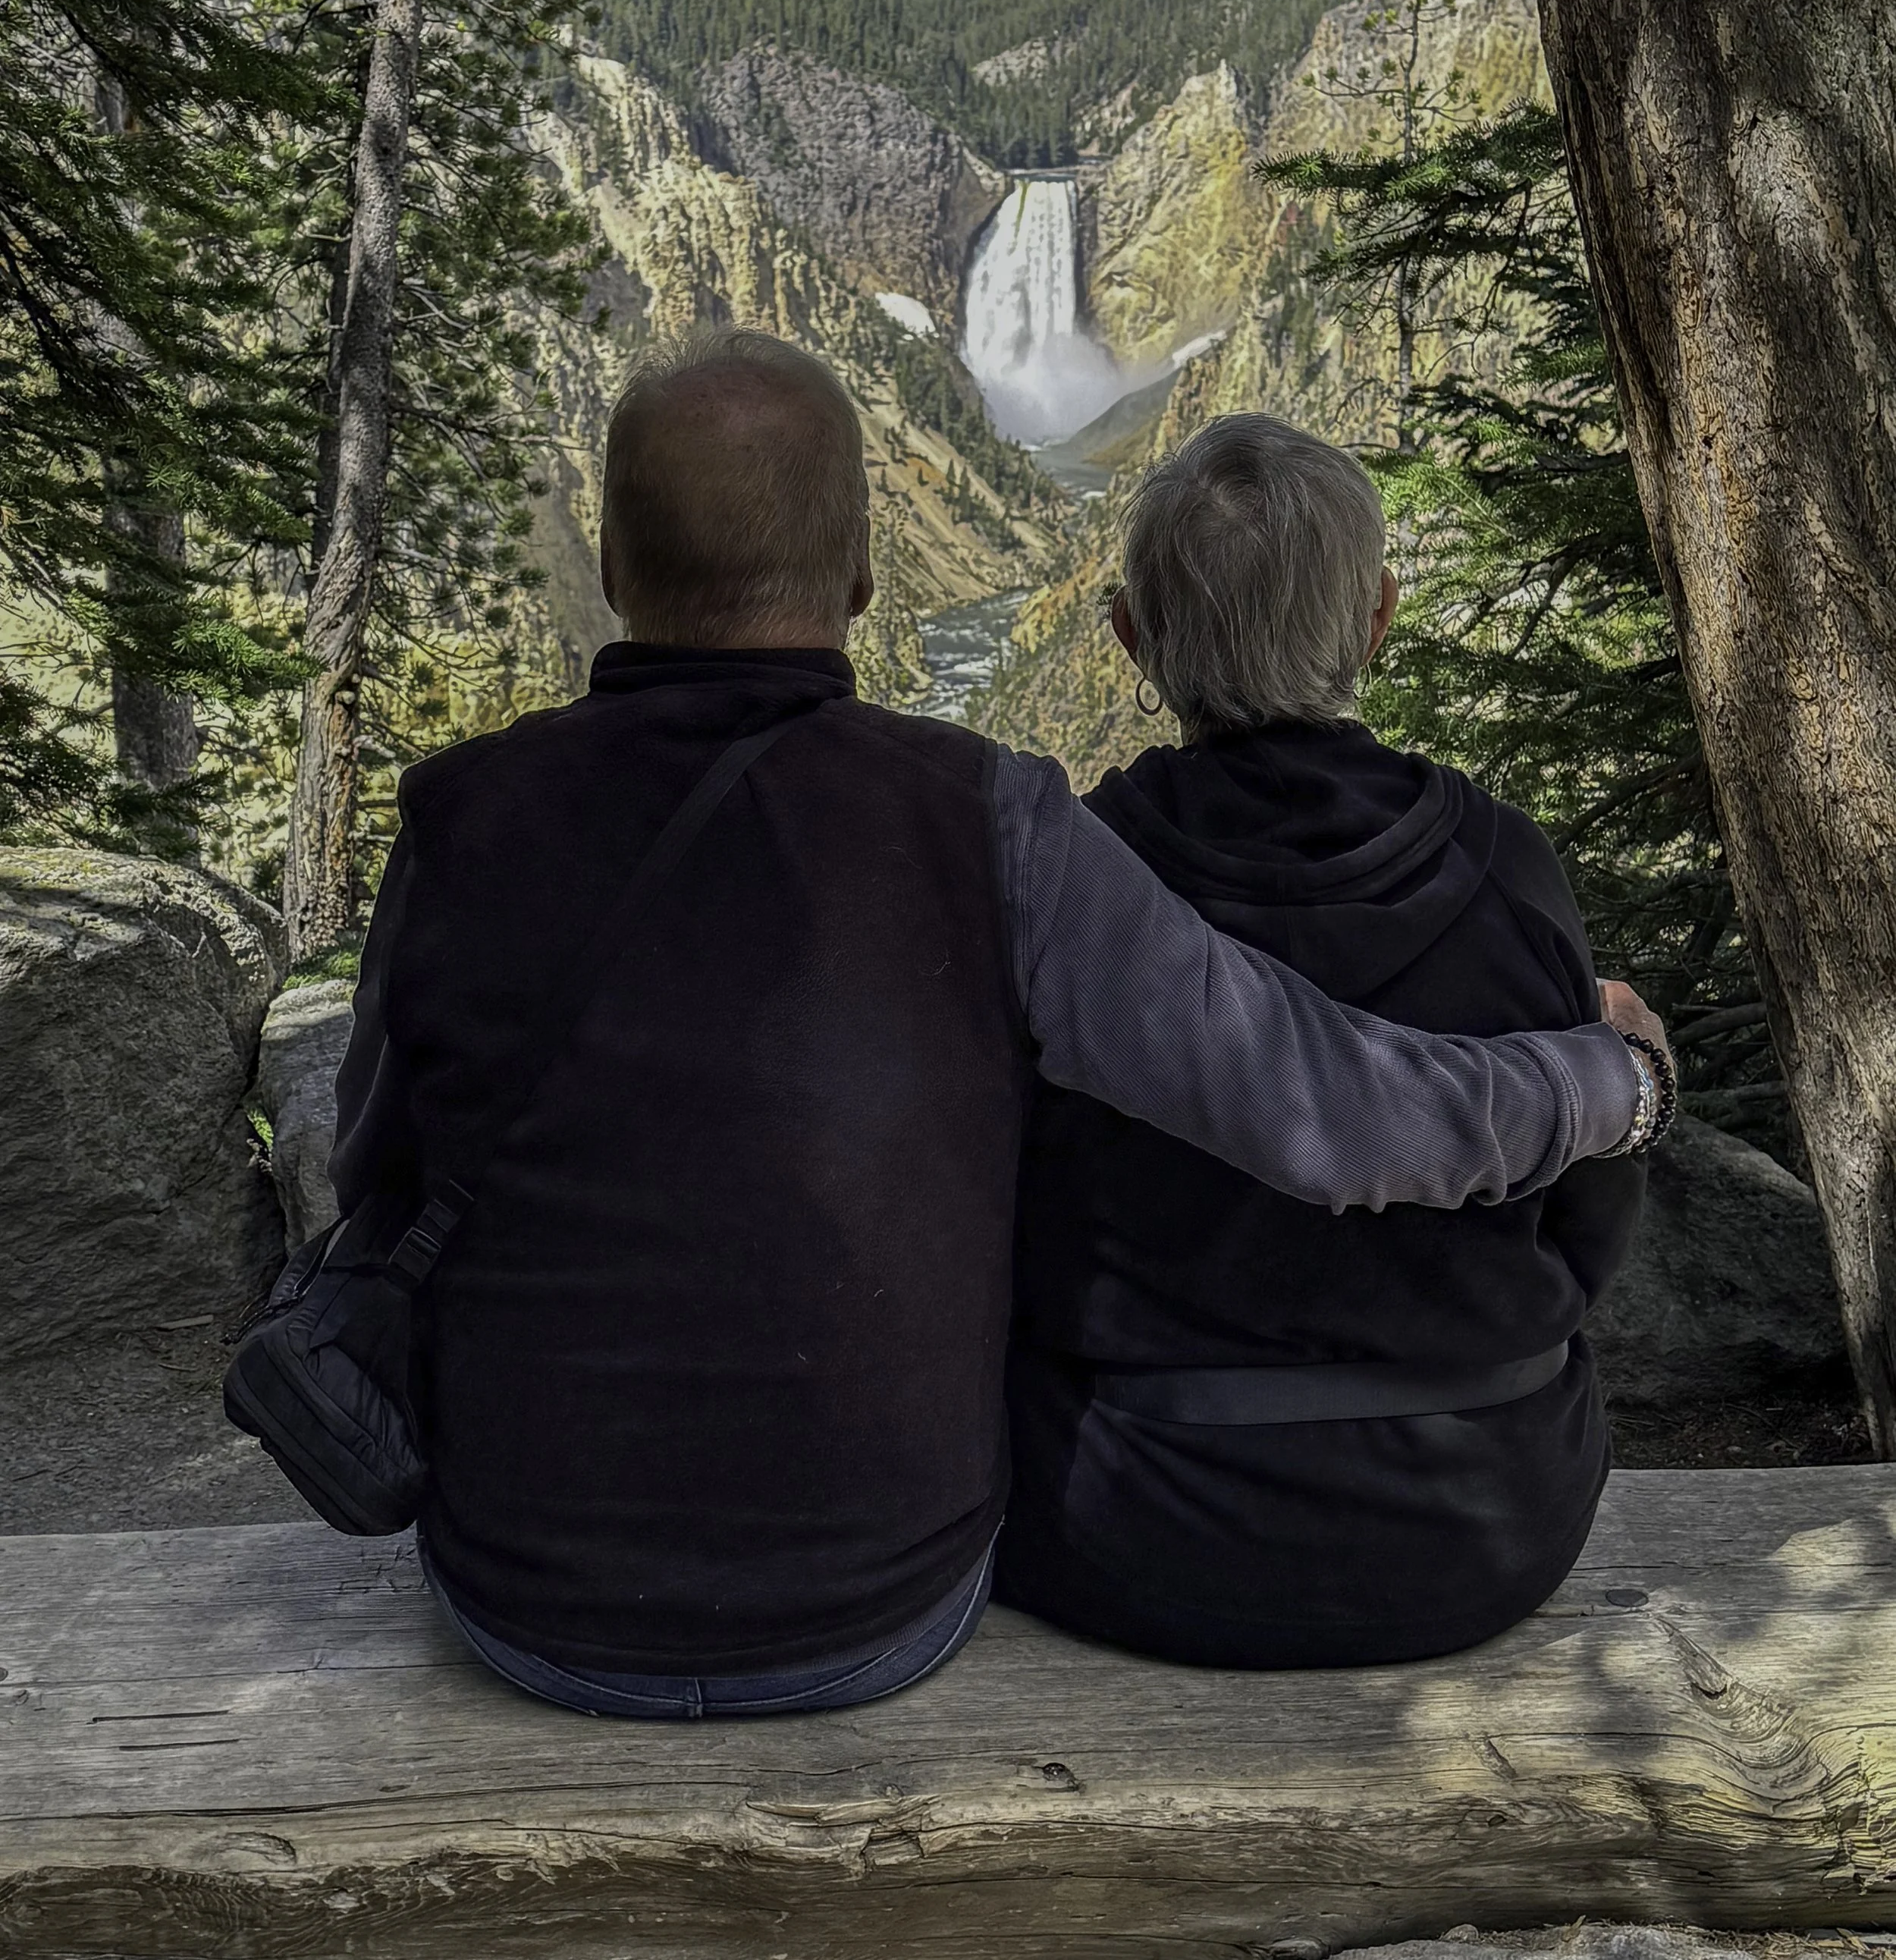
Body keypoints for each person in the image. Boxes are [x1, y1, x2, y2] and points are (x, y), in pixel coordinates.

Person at [330, 333, 1666, 1720]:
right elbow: (1314, 1105)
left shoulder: (457, 821)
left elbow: (376, 1183)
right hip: (878, 1602)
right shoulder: (985, 823)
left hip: (523, 1597)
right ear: (862, 572)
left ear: (611, 568)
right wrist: (1609, 1081)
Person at [997, 412, 1651, 1670]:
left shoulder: (1077, 888)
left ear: (1131, 634)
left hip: (1137, 1524)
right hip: (1494, 1518)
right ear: (1376, 621)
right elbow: (1589, 1220)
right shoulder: (1506, 865)